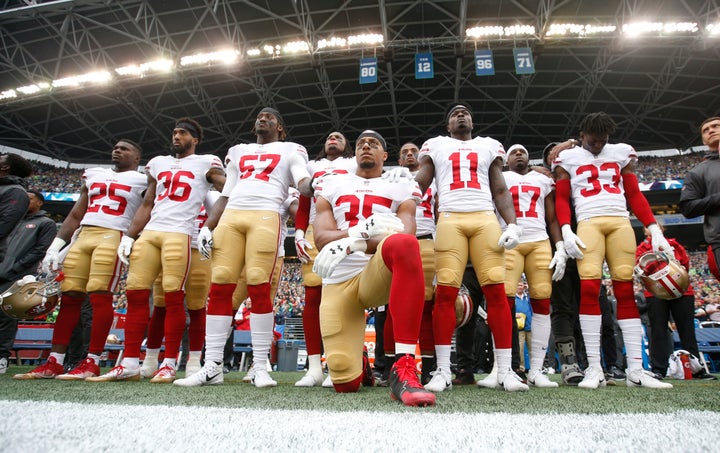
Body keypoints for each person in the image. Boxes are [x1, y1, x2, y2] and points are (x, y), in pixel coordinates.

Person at [174, 107, 313, 388]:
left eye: (270, 117)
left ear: (280, 128)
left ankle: (260, 366)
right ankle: (212, 365)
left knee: (258, 283)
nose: (263, 118)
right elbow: (227, 192)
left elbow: (301, 180)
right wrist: (207, 226)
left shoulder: (291, 149)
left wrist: (312, 183)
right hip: (232, 216)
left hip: (266, 214)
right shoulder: (237, 150)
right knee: (221, 285)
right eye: (260, 116)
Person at [88, 119, 225, 383]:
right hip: (151, 232)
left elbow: (228, 189)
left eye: (182, 133)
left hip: (182, 233)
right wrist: (129, 236)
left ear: (195, 139)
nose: (176, 136)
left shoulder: (207, 162)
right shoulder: (158, 163)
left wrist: (211, 226)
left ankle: (172, 362)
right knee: (137, 294)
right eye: (174, 132)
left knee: (178, 298)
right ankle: (130, 362)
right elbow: (148, 202)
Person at [311, 129, 435, 407]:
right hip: (338, 282)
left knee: (403, 244)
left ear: (385, 155)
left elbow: (405, 233)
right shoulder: (331, 183)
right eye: (361, 143)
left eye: (374, 143)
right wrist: (360, 232)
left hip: (376, 274)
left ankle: (403, 368)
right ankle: (361, 365)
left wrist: (352, 243)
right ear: (354, 153)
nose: (366, 146)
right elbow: (321, 239)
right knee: (345, 383)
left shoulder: (401, 184)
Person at [553, 111, 673, 389]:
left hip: (619, 222)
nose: (598, 145)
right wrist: (566, 229)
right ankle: (594, 367)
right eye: (593, 141)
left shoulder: (621, 153)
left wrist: (653, 227)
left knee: (624, 290)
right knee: (589, 288)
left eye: (602, 140)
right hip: (588, 223)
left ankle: (635, 368)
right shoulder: (567, 157)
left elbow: (633, 193)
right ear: (582, 136)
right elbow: (561, 197)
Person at [414, 103, 528, 392]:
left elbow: (500, 189)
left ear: (473, 121)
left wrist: (512, 223)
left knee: (497, 293)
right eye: (454, 113)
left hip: (485, 218)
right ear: (448, 124)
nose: (461, 115)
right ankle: (442, 370)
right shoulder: (436, 145)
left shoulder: (489, 146)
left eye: (466, 112)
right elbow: (422, 183)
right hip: (450, 219)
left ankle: (505, 370)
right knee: (445, 293)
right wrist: (400, 189)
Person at [12, 141, 146, 381]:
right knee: (70, 296)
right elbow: (76, 213)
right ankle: (54, 361)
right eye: (115, 147)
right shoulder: (93, 174)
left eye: (125, 149)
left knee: (100, 296)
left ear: (137, 158)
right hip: (83, 236)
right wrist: (55, 246)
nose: (117, 150)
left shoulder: (143, 180)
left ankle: (92, 361)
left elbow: (146, 209)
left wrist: (131, 238)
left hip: (113, 235)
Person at [498, 143, 566, 388]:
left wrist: (559, 246)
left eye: (523, 151)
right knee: (504, 301)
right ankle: (502, 366)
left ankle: (536, 369)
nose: (518, 153)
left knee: (542, 301)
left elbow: (552, 217)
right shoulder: (500, 176)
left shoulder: (542, 179)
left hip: (539, 241)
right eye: (513, 151)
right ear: (505, 160)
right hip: (509, 240)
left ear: (529, 158)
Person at [293, 131, 356, 387]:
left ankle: (339, 363)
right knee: (313, 297)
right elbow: (304, 201)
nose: (333, 139)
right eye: (330, 136)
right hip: (314, 230)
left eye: (339, 137)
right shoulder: (312, 166)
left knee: (343, 296)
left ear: (347, 145)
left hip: (344, 229)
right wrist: (298, 232)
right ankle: (313, 368)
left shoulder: (353, 163)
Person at [141, 190, 220, 379]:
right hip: (169, 245)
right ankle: (151, 360)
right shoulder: (171, 188)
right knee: (160, 306)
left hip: (197, 249)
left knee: (197, 307)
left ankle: (193, 359)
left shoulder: (214, 196)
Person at [636, 224, 716, 380]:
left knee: (687, 329)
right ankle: (659, 368)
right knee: (658, 330)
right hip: (657, 292)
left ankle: (695, 368)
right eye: (648, 225)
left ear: (662, 228)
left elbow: (684, 264)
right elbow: (642, 267)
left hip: (682, 290)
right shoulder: (642, 248)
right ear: (645, 230)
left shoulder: (674, 244)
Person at [0, 190, 56, 374]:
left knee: (6, 316)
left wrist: (15, 268)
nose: (25, 201)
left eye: (30, 198)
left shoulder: (45, 223)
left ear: (40, 202)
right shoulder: (13, 220)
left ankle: (2, 357)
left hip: (17, 277)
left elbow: (40, 250)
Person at [0, 152, 32, 374]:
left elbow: (4, 226)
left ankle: (1, 356)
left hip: (8, 268)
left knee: (5, 313)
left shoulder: (16, 192)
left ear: (6, 167)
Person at [679, 117, 720, 281]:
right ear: (703, 140)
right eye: (706, 130)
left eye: (716, 126)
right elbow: (688, 208)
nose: (711, 130)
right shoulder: (697, 172)